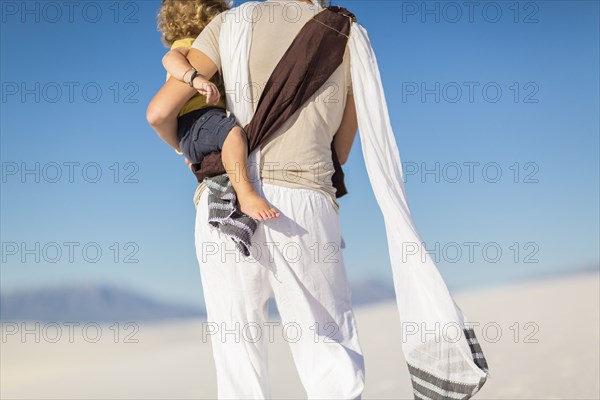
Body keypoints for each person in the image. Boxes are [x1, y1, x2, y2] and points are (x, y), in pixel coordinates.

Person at [153, 0, 365, 398]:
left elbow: (161, 110)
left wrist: (186, 151)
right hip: (305, 201)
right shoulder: (349, 36)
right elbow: (342, 151)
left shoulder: (229, 24)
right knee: (329, 355)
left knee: (239, 364)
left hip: (223, 204)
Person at [147, 0, 280, 221]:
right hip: (198, 119)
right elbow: (169, 58)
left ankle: (226, 198)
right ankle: (246, 195)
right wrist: (193, 77)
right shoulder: (190, 44)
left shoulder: (219, 51)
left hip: (204, 123)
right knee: (233, 135)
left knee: (231, 138)